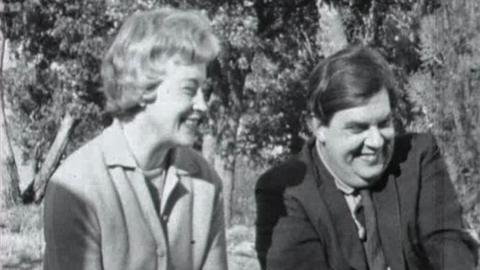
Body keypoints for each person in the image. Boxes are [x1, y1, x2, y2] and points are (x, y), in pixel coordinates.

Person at [255, 46, 478, 270]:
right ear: (319, 127)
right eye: (358, 128)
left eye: (384, 123)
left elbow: (450, 249)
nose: (376, 141)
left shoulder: (418, 157)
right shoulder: (284, 190)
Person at [43, 8, 227, 270]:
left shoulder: (205, 180)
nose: (202, 105)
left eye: (204, 90)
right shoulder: (78, 185)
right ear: (142, 87)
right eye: (189, 89)